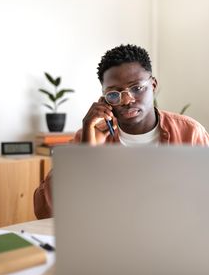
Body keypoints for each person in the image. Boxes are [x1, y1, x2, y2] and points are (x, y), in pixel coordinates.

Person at [34, 44, 209, 219]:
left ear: (153, 85)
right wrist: (85, 154)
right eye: (114, 94)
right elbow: (45, 210)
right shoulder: (91, 137)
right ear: (104, 98)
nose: (127, 100)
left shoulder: (190, 133)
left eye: (137, 88)